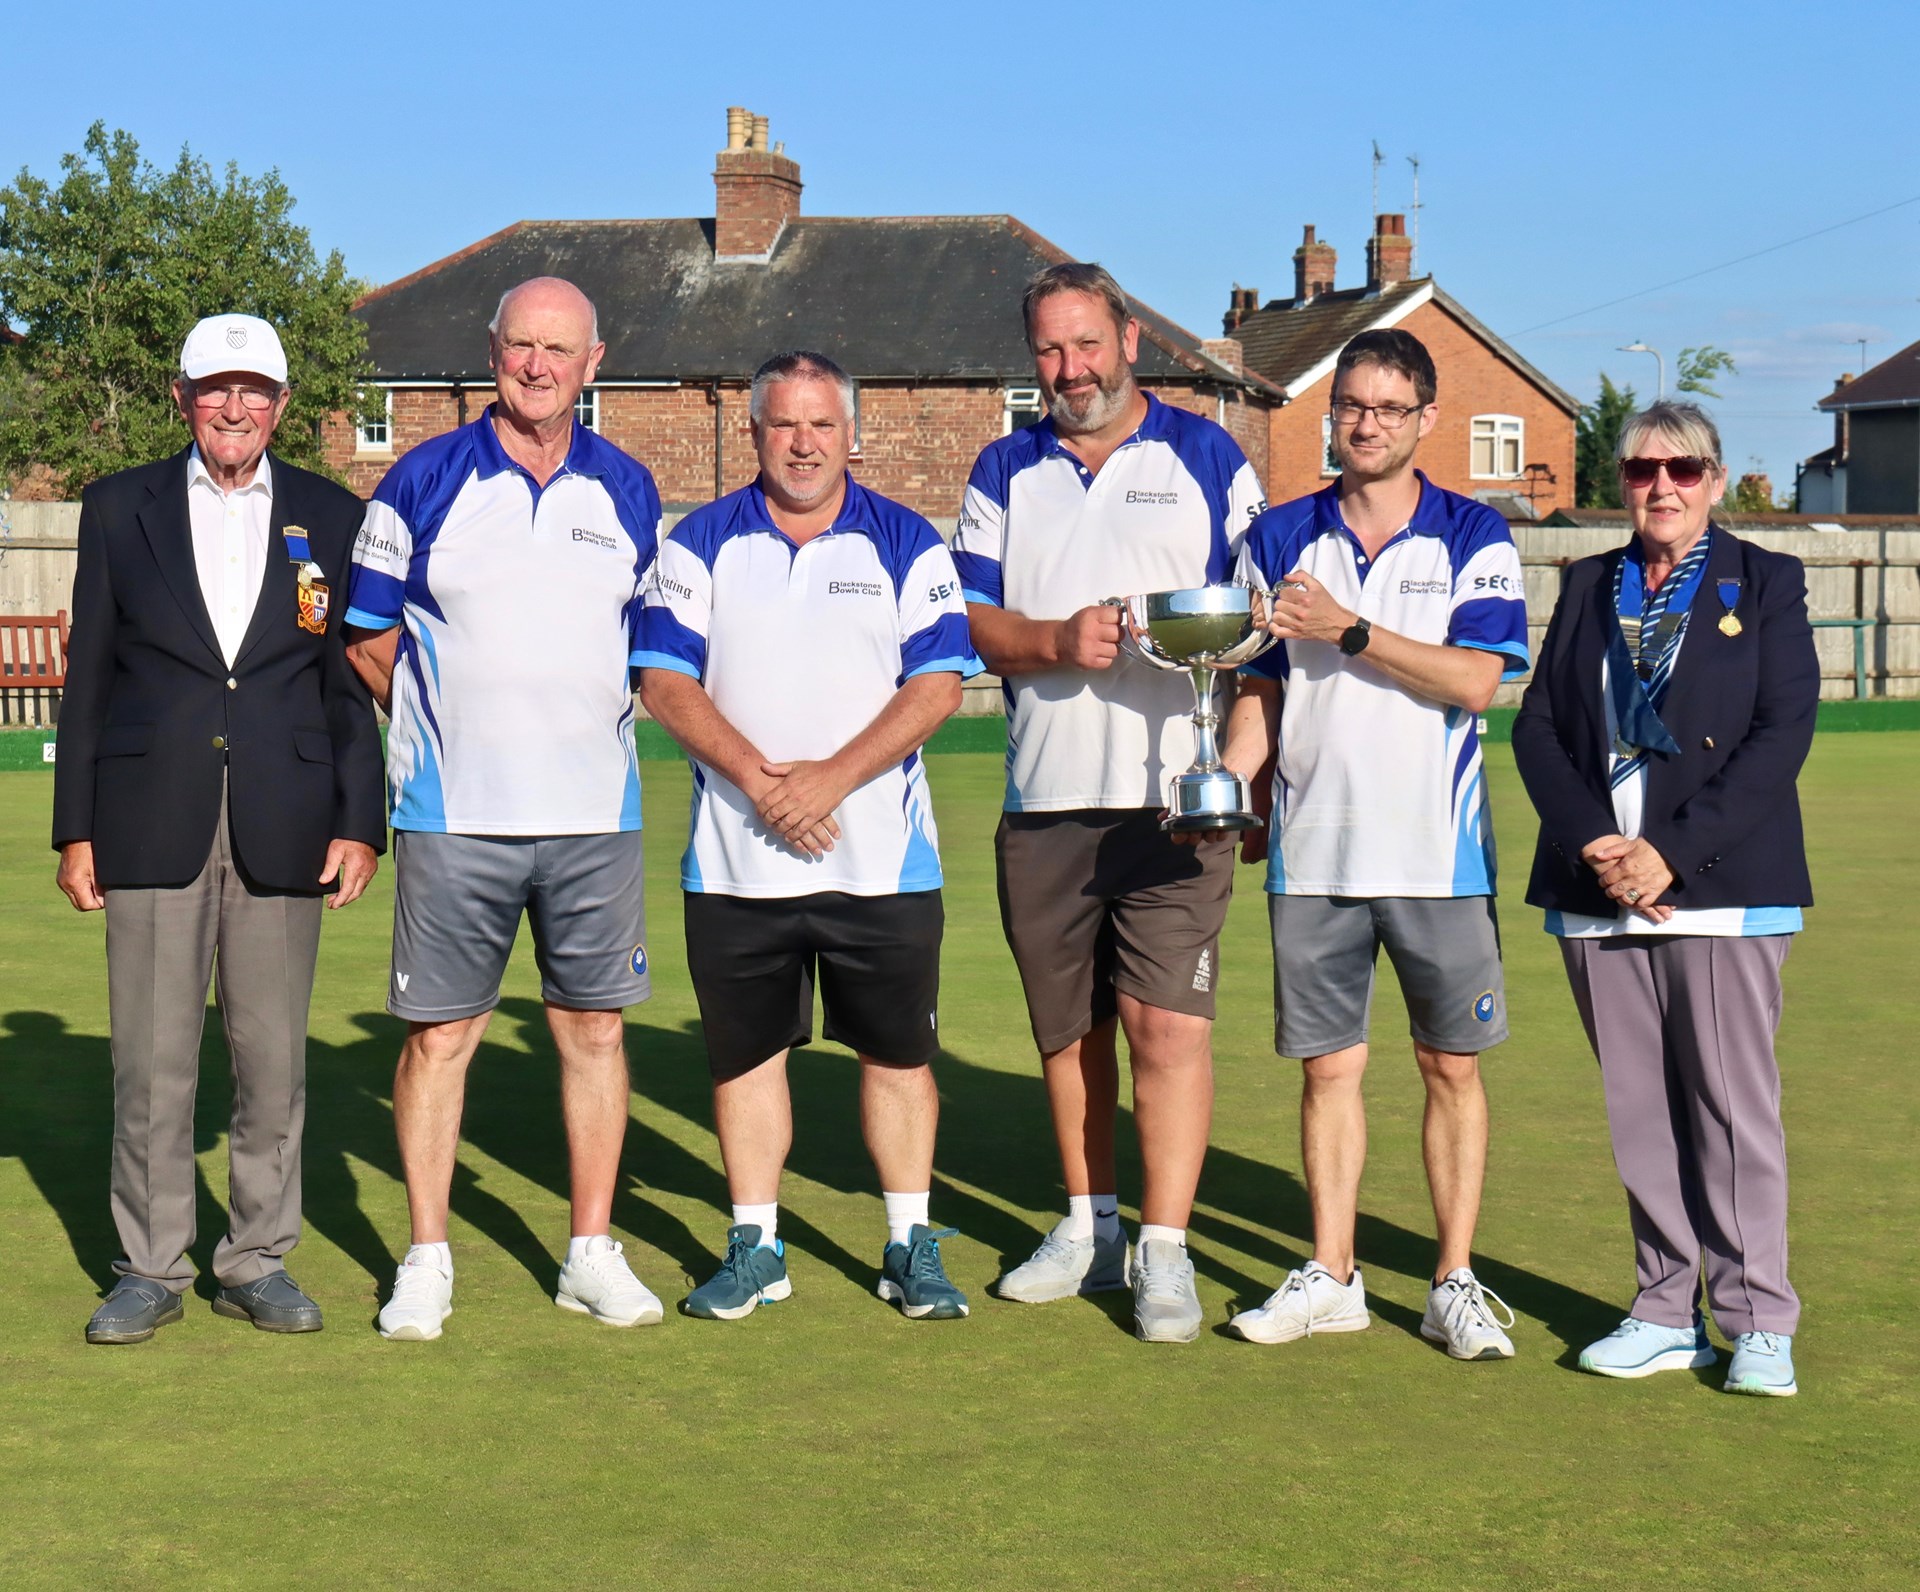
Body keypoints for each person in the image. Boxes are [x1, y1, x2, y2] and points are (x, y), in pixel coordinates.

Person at [950, 262, 1267, 1343]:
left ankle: (1164, 1250)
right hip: (1045, 797)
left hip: (1175, 794)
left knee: (1166, 1025)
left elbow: (1258, 613)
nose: (1069, 370)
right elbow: (968, 623)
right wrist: (1054, 641)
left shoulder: (1207, 457)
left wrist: (1240, 741)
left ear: (1129, 339)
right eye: (1049, 349)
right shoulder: (1005, 466)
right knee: (1070, 1031)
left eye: (1087, 344)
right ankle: (1089, 1227)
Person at [54, 313, 385, 1344]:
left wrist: (360, 821)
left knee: (272, 1057)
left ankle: (255, 1259)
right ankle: (150, 1265)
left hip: (288, 820)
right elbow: (89, 677)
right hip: (149, 816)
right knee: (152, 1060)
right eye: (215, 388)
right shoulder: (118, 509)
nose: (234, 407)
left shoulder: (331, 514)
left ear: (283, 404)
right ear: (183, 397)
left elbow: (346, 687)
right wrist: (76, 830)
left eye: (254, 390)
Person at [343, 277, 663, 1341]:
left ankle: (590, 1251)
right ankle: (427, 1257)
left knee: (594, 1030)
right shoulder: (420, 478)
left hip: (593, 815)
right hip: (453, 811)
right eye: (520, 344)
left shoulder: (630, 487)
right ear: (493, 351)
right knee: (442, 1038)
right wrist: (449, 728)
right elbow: (366, 638)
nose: (537, 365)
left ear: (593, 360)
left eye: (558, 349)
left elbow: (652, 646)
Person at [637, 351, 980, 1321]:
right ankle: (756, 1244)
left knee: (900, 1059)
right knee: (746, 1060)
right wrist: (760, 780)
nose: (802, 442)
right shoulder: (698, 543)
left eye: (821, 425)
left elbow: (940, 684)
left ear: (852, 435)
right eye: (784, 423)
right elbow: (664, 680)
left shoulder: (906, 542)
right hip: (736, 862)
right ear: (754, 433)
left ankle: (910, 1241)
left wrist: (829, 778)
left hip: (882, 860)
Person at [1216, 327, 1529, 1360]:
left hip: (1439, 854)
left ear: (1426, 419)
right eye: (1351, 405)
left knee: (1451, 1068)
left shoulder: (1473, 533)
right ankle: (1334, 1272)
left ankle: (1454, 1279)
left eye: (1390, 408)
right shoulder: (1276, 535)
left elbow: (1478, 681)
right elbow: (1259, 683)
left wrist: (1351, 628)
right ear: (1332, 413)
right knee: (1327, 1073)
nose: (1366, 424)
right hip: (1313, 854)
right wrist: (1231, 785)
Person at [1511, 401, 1815, 1396]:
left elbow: (1780, 734)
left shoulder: (1766, 581)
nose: (1662, 486)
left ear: (1716, 479)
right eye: (1642, 469)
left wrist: (1666, 856)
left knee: (1728, 1109)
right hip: (1598, 886)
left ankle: (1757, 1318)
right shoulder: (1590, 581)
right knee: (1640, 1108)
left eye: (1683, 468)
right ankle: (1662, 1306)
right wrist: (1600, 842)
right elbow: (1540, 729)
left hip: (1716, 889)